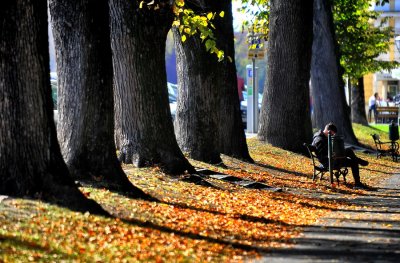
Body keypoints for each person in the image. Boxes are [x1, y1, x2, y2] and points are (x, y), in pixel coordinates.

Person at [312, 122, 369, 189]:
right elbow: (322, 155)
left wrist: (336, 151)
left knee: (350, 154)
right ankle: (358, 164)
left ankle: (358, 182)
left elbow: (327, 151)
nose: (333, 135)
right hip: (328, 162)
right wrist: (335, 153)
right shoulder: (319, 139)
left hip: (332, 159)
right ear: (329, 131)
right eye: (332, 134)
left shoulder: (321, 136)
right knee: (350, 154)